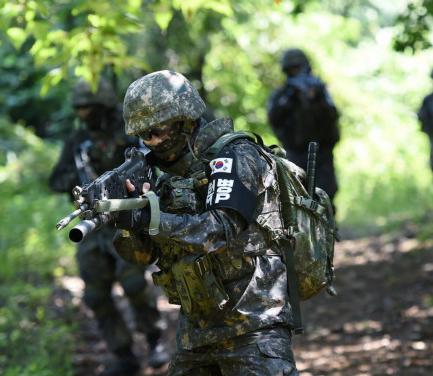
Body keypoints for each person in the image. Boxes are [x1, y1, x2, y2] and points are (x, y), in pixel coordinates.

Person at [111, 70, 299, 375]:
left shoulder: (236, 156)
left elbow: (218, 229)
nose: (152, 141)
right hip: (195, 334)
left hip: (253, 324)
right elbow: (140, 257)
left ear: (186, 120)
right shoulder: (168, 178)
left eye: (158, 130)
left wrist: (152, 217)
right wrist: (129, 218)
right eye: (144, 135)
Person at [49, 78, 169, 376]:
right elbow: (55, 180)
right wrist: (79, 182)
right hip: (91, 224)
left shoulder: (126, 134)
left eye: (88, 108)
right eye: (79, 108)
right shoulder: (77, 142)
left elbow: (148, 168)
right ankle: (123, 354)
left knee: (133, 283)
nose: (83, 114)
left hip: (123, 220)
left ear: (102, 106)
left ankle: (155, 340)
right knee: (95, 295)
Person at [266, 48, 340, 203]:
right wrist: (291, 99)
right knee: (294, 196)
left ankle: (325, 226)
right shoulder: (284, 94)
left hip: (322, 153)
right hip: (295, 152)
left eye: (298, 68)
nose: (296, 72)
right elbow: (273, 118)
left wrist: (316, 98)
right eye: (292, 69)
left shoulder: (320, 91)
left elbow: (332, 116)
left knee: (325, 196)